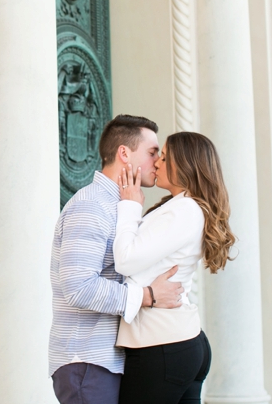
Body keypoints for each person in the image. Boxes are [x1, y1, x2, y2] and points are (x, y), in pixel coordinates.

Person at [50, 115, 185, 404]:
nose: (159, 161)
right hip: (87, 361)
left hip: (110, 359)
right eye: (152, 153)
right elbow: (78, 287)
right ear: (124, 153)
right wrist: (148, 296)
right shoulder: (92, 206)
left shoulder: (123, 206)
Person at [113, 131, 237, 404]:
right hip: (177, 344)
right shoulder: (182, 207)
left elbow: (125, 260)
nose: (156, 162)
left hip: (161, 347)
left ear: (186, 165)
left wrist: (130, 206)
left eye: (165, 157)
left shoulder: (184, 210)